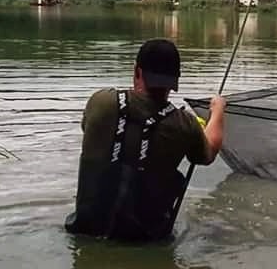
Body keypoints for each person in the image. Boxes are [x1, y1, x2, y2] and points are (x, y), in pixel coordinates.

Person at [64, 38, 225, 242]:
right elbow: (208, 152)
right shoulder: (184, 125)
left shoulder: (101, 101)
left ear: (137, 72)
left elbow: (87, 128)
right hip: (144, 242)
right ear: (175, 81)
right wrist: (218, 110)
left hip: (85, 231)